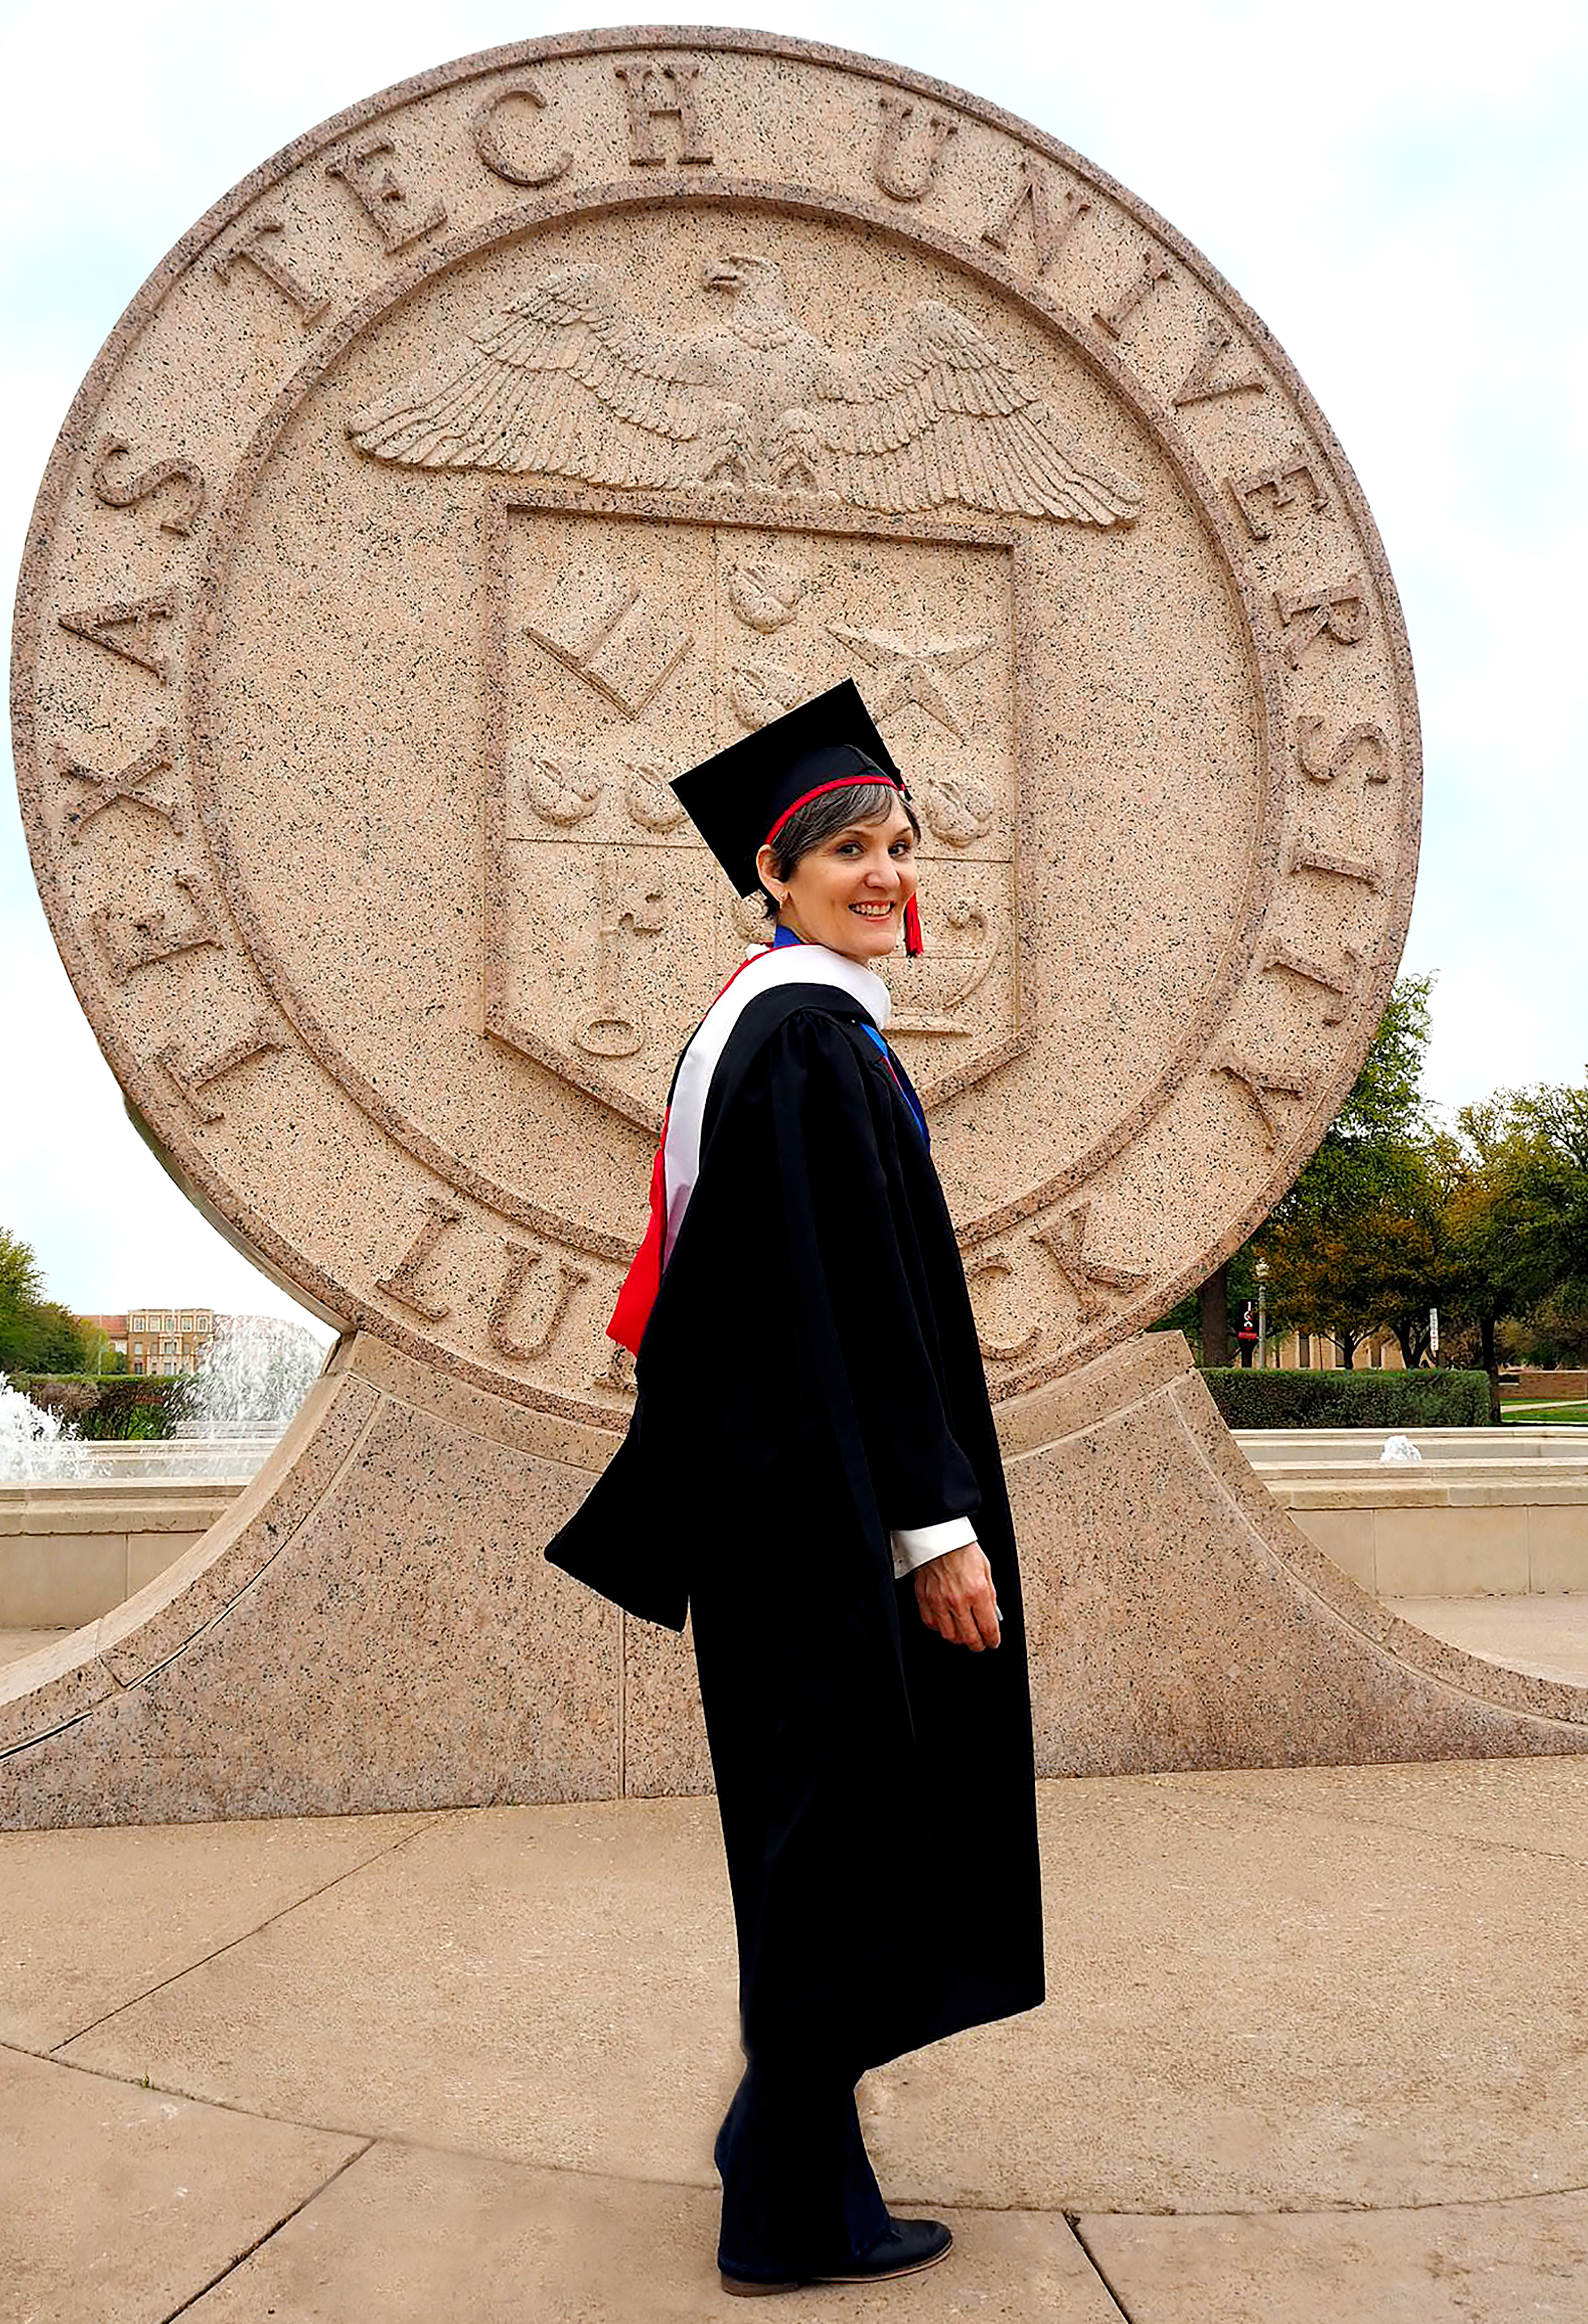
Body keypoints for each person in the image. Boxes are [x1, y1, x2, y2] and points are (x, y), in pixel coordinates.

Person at [545, 680, 1045, 2297]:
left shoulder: (781, 1028)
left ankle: (788, 2142)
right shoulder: (803, 1044)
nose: (887, 871)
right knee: (835, 1844)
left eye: (900, 842)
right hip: (827, 1528)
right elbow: (856, 1315)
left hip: (788, 1516)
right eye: (848, 848)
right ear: (771, 872)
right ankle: (782, 2205)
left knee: (818, 1843)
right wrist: (934, 1529)